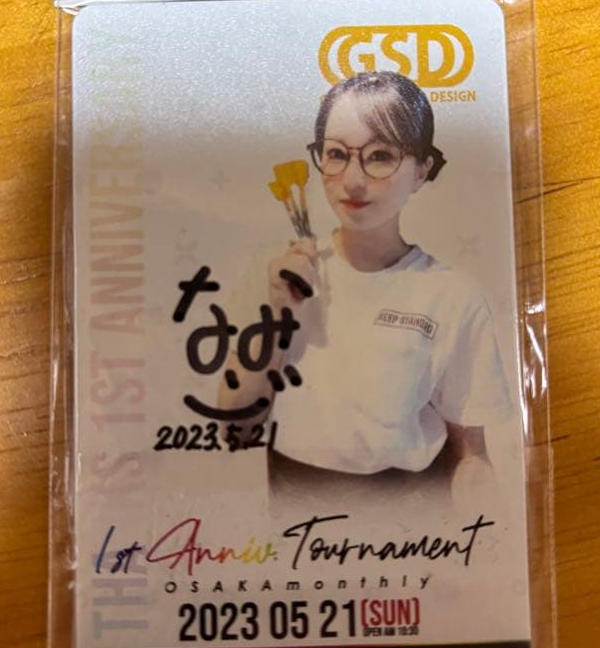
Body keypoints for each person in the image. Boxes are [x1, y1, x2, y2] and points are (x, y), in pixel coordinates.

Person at [219, 71, 514, 506]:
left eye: (380, 156)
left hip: (412, 511)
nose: (353, 180)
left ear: (421, 171)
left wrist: (489, 530)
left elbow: (470, 455)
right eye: (336, 154)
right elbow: (235, 426)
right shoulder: (278, 273)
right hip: (295, 506)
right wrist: (277, 319)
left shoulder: (452, 296)